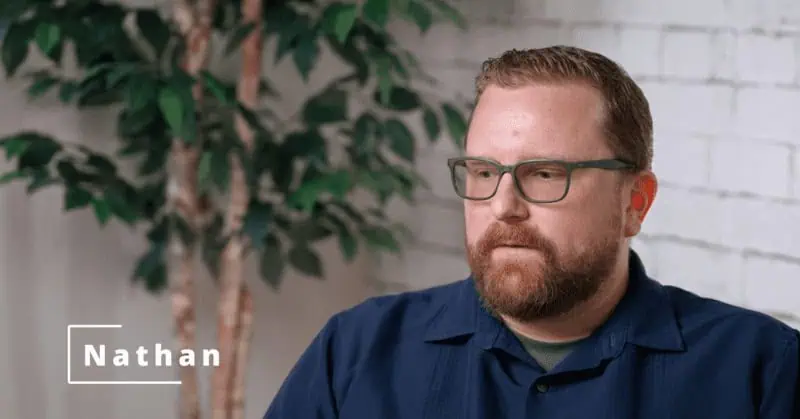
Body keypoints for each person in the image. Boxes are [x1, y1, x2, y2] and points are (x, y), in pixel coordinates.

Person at [262, 46, 800, 418]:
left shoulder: (762, 371)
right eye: (482, 173)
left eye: (545, 174)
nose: (503, 206)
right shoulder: (356, 352)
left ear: (634, 203)